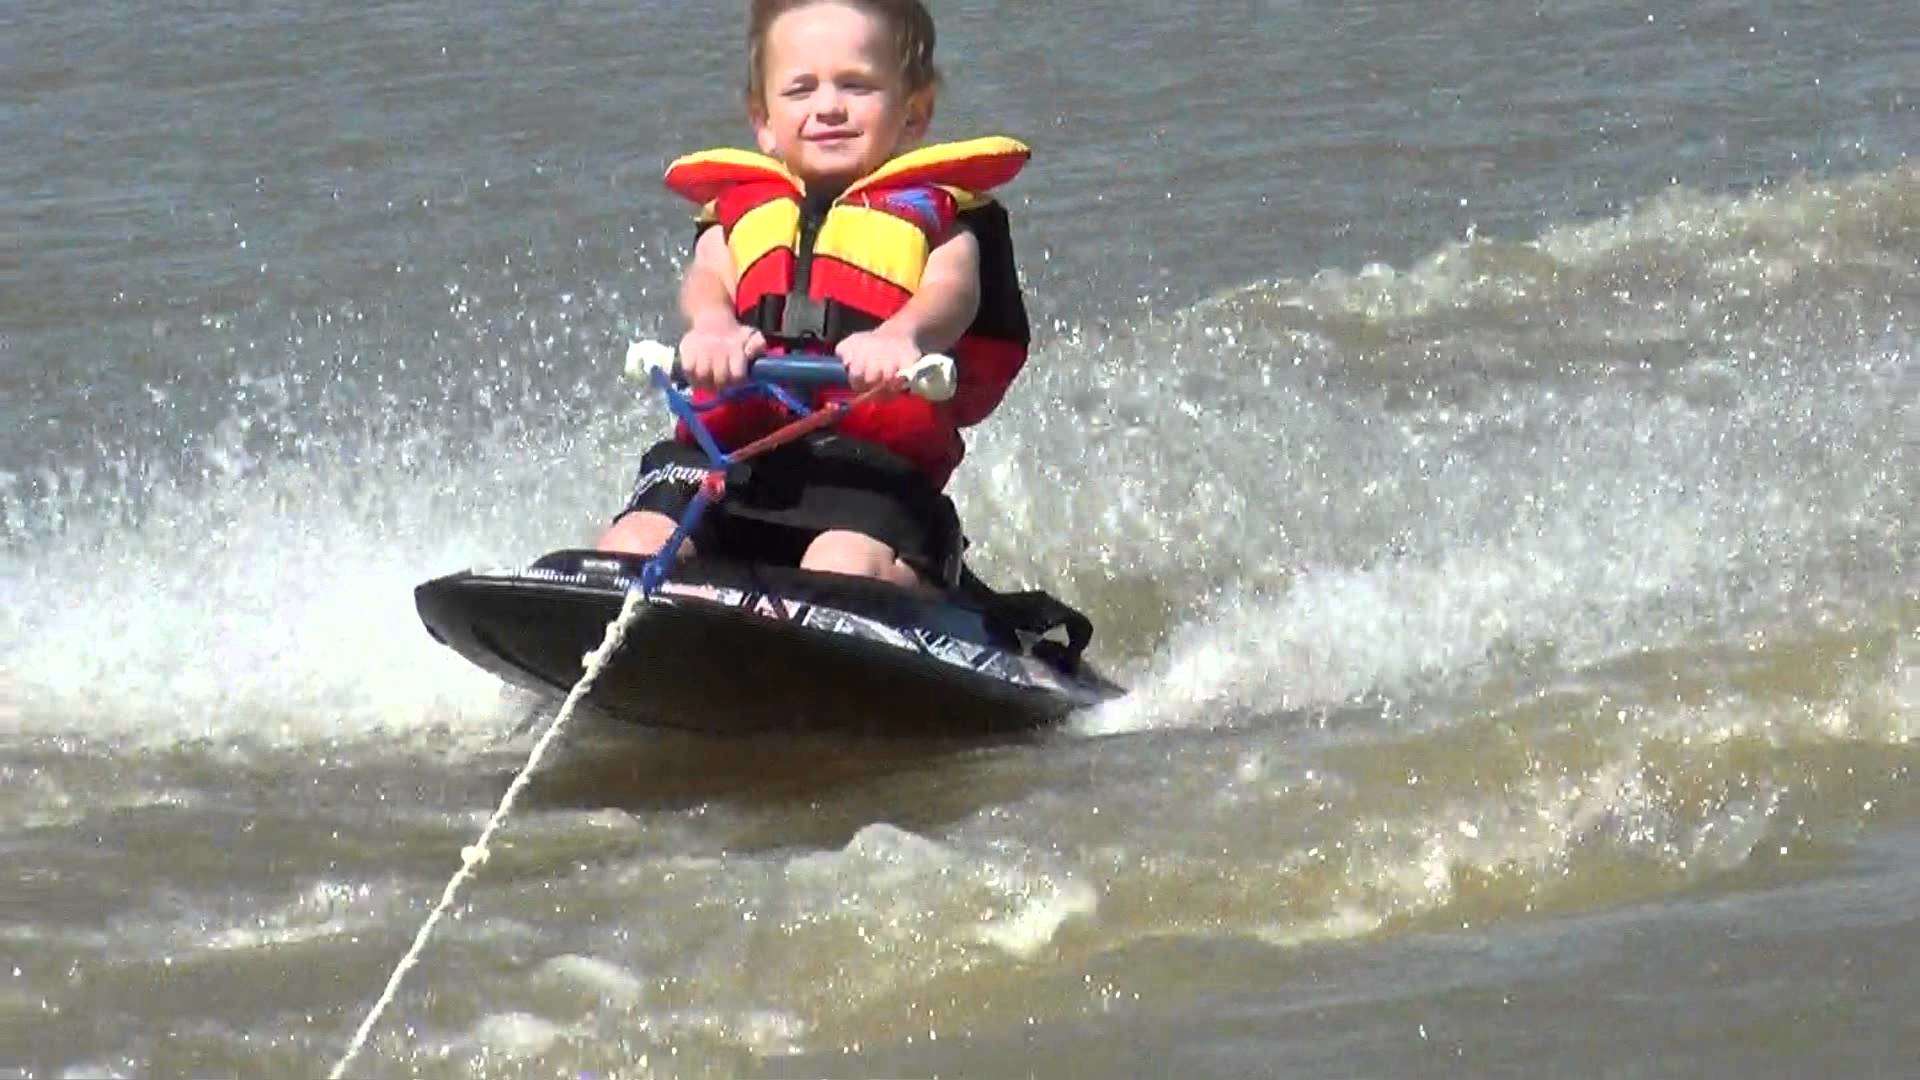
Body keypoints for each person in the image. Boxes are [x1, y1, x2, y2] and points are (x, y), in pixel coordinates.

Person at [594, 0, 1032, 592]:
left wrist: (902, 336)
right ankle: (619, 629)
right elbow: (708, 278)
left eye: (856, 85)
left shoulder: (943, 222)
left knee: (841, 566)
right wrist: (714, 326)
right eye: (801, 90)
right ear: (764, 121)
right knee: (635, 544)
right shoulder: (740, 214)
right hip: (729, 465)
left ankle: (916, 590)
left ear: (914, 112)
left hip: (868, 481)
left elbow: (951, 291)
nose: (828, 106)